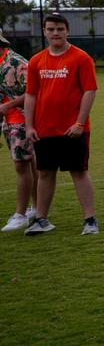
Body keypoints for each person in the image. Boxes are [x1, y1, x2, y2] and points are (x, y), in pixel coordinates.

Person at [23, 13, 98, 236]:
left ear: (67, 31)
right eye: (51, 29)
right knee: (45, 173)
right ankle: (41, 219)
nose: (55, 33)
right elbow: (30, 95)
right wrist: (29, 126)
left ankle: (90, 220)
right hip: (44, 130)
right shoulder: (36, 61)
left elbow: (89, 91)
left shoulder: (81, 58)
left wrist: (79, 123)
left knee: (79, 172)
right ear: (44, 32)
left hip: (73, 130)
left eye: (60, 29)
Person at [0, 27, 38, 232]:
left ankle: (20, 214)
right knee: (28, 163)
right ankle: (36, 207)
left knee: (21, 165)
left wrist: (8, 106)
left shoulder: (16, 62)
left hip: (22, 120)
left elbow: (35, 91)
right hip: (8, 121)